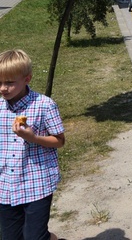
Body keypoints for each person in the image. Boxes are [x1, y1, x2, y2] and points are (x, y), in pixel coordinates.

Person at [0, 50, 65, 240]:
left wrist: (33, 138)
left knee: (34, 237)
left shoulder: (44, 105)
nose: (3, 88)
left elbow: (59, 141)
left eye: (9, 83)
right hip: (5, 184)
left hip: (36, 182)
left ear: (27, 79)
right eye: (0, 82)